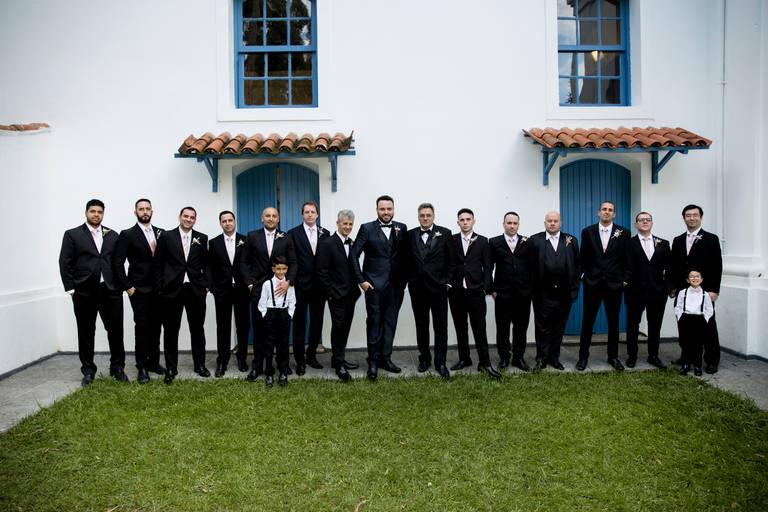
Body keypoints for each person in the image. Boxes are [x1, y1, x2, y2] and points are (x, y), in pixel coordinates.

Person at [59, 199, 127, 386]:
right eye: (93, 211)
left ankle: (117, 367)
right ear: (86, 213)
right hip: (84, 292)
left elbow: (117, 262)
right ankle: (88, 370)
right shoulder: (72, 234)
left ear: (103, 214)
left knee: (116, 331)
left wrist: (120, 286)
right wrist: (71, 289)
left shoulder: (112, 235)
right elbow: (64, 262)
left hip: (110, 291)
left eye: (99, 212)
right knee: (86, 332)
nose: (96, 215)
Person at [350, 195, 408, 381]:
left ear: (393, 209)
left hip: (396, 286)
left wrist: (404, 280)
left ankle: (386, 358)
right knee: (374, 323)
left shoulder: (402, 228)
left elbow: (406, 255)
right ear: (377, 210)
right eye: (382, 209)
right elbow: (353, 255)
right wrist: (361, 281)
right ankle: (373, 362)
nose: (386, 212)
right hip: (374, 286)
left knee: (390, 322)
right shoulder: (366, 228)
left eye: (389, 209)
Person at [239, 207, 297, 381]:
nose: (271, 218)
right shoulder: (252, 236)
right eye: (267, 216)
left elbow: (294, 262)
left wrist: (289, 282)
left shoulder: (286, 237)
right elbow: (243, 262)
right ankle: (257, 366)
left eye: (274, 216)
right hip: (258, 290)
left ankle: (282, 366)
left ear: (278, 219)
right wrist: (250, 284)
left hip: (281, 290)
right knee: (259, 332)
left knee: (281, 334)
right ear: (262, 218)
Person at [154, 206, 210, 384]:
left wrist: (206, 285)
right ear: (180, 217)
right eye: (186, 216)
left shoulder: (202, 238)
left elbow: (207, 264)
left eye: (192, 217)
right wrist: (161, 286)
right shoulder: (166, 236)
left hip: (195, 290)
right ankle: (171, 367)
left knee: (197, 329)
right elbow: (158, 263)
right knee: (171, 330)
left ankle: (200, 365)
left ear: (195, 220)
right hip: (172, 290)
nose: (188, 219)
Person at [113, 198, 165, 383]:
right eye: (141, 209)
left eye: (147, 208)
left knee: (156, 327)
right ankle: (142, 366)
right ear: (135, 212)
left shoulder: (161, 233)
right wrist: (127, 286)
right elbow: (118, 263)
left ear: (152, 211)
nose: (144, 211)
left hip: (159, 289)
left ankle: (154, 362)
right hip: (138, 290)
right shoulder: (127, 234)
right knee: (142, 327)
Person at [577, 201, 630, 372]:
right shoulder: (588, 231)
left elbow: (627, 259)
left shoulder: (624, 233)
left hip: (614, 284)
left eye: (610, 210)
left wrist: (624, 280)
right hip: (592, 283)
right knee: (587, 321)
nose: (607, 212)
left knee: (613, 322)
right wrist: (583, 276)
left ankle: (613, 357)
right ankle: (583, 357)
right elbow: (583, 256)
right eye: (604, 209)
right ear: (598, 212)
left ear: (614, 214)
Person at [448, 208, 500, 379]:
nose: (465, 222)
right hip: (456, 293)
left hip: (476, 292)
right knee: (460, 328)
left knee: (479, 328)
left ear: (473, 221)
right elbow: (448, 264)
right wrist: (449, 285)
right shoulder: (452, 240)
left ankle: (485, 362)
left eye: (468, 219)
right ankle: (464, 358)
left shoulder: (483, 241)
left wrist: (485, 288)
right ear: (458, 222)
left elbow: (488, 267)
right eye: (462, 220)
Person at [406, 203, 456, 379]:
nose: (425, 218)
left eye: (428, 215)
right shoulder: (410, 235)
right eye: (422, 215)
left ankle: (440, 362)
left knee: (440, 326)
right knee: (422, 326)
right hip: (417, 289)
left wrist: (448, 283)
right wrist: (410, 281)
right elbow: (405, 260)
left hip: (439, 289)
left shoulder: (445, 233)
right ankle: (424, 359)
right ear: (418, 217)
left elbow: (452, 261)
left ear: (433, 216)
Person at [671, 204, 722, 374]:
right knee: (684, 325)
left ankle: (711, 360)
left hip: (704, 291)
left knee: (708, 326)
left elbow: (717, 266)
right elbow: (674, 266)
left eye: (695, 215)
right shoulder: (678, 240)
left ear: (700, 217)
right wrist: (673, 287)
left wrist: (714, 290)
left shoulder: (711, 239)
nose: (691, 218)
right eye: (688, 215)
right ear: (683, 218)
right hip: (683, 292)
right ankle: (687, 356)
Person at [530, 211, 580, 371]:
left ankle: (554, 358)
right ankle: (541, 358)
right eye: (549, 221)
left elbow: (577, 266)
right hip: (542, 293)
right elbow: (529, 266)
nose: (552, 223)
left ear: (560, 223)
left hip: (564, 294)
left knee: (558, 327)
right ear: (545, 223)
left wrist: (574, 288)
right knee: (542, 327)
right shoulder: (535, 240)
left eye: (555, 221)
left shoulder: (571, 240)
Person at [316, 210, 361, 382]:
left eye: (350, 224)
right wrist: (331, 293)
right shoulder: (327, 243)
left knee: (345, 327)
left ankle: (338, 359)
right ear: (338, 223)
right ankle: (339, 364)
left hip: (351, 294)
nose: (347, 227)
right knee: (338, 328)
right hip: (336, 296)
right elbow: (322, 271)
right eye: (345, 223)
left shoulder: (352, 242)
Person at [287, 201, 332, 375]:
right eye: (307, 212)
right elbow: (291, 259)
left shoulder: (325, 233)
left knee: (316, 323)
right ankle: (300, 361)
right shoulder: (293, 233)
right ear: (302, 214)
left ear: (317, 214)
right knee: (299, 323)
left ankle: (311, 356)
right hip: (300, 286)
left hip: (319, 287)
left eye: (313, 212)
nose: (310, 214)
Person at [624, 212, 672, 369]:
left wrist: (667, 288)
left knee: (655, 326)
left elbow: (670, 267)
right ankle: (632, 356)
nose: (644, 222)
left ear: (652, 223)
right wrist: (625, 284)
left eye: (648, 220)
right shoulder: (628, 243)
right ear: (636, 224)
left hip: (658, 292)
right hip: (634, 291)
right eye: (641, 220)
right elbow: (623, 265)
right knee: (632, 325)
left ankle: (653, 356)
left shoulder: (663, 244)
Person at [489, 211, 534, 372]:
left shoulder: (527, 242)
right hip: (502, 294)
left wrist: (530, 289)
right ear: (504, 224)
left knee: (521, 328)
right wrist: (492, 289)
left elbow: (533, 266)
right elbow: (488, 267)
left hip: (523, 294)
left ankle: (518, 358)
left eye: (515, 223)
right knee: (502, 328)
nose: (512, 226)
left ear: (518, 225)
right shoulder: (494, 242)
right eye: (509, 223)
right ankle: (504, 357)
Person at [208, 211, 250, 377]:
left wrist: (250, 283)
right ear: (220, 223)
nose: (227, 223)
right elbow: (210, 266)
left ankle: (242, 358)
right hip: (222, 290)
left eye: (230, 220)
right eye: (224, 221)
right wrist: (212, 287)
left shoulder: (245, 240)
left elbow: (250, 264)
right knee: (223, 326)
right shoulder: (214, 242)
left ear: (235, 221)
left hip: (241, 290)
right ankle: (222, 361)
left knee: (243, 326)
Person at [257, 256, 296, 387]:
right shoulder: (267, 284)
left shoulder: (290, 285)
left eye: (284, 269)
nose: (281, 272)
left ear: (287, 269)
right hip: (271, 315)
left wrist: (289, 315)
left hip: (284, 314)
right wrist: (265, 315)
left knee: (283, 345)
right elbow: (262, 303)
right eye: (278, 269)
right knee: (269, 345)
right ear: (273, 269)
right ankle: (269, 373)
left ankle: (283, 372)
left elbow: (293, 302)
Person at [674, 269, 714, 376]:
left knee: (698, 344)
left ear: (701, 279)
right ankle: (685, 364)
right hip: (686, 319)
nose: (694, 278)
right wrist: (680, 317)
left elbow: (709, 309)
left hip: (699, 320)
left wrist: (705, 319)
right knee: (685, 343)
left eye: (697, 276)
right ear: (688, 280)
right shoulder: (683, 293)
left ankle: (697, 366)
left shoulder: (705, 294)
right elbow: (678, 307)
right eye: (692, 276)